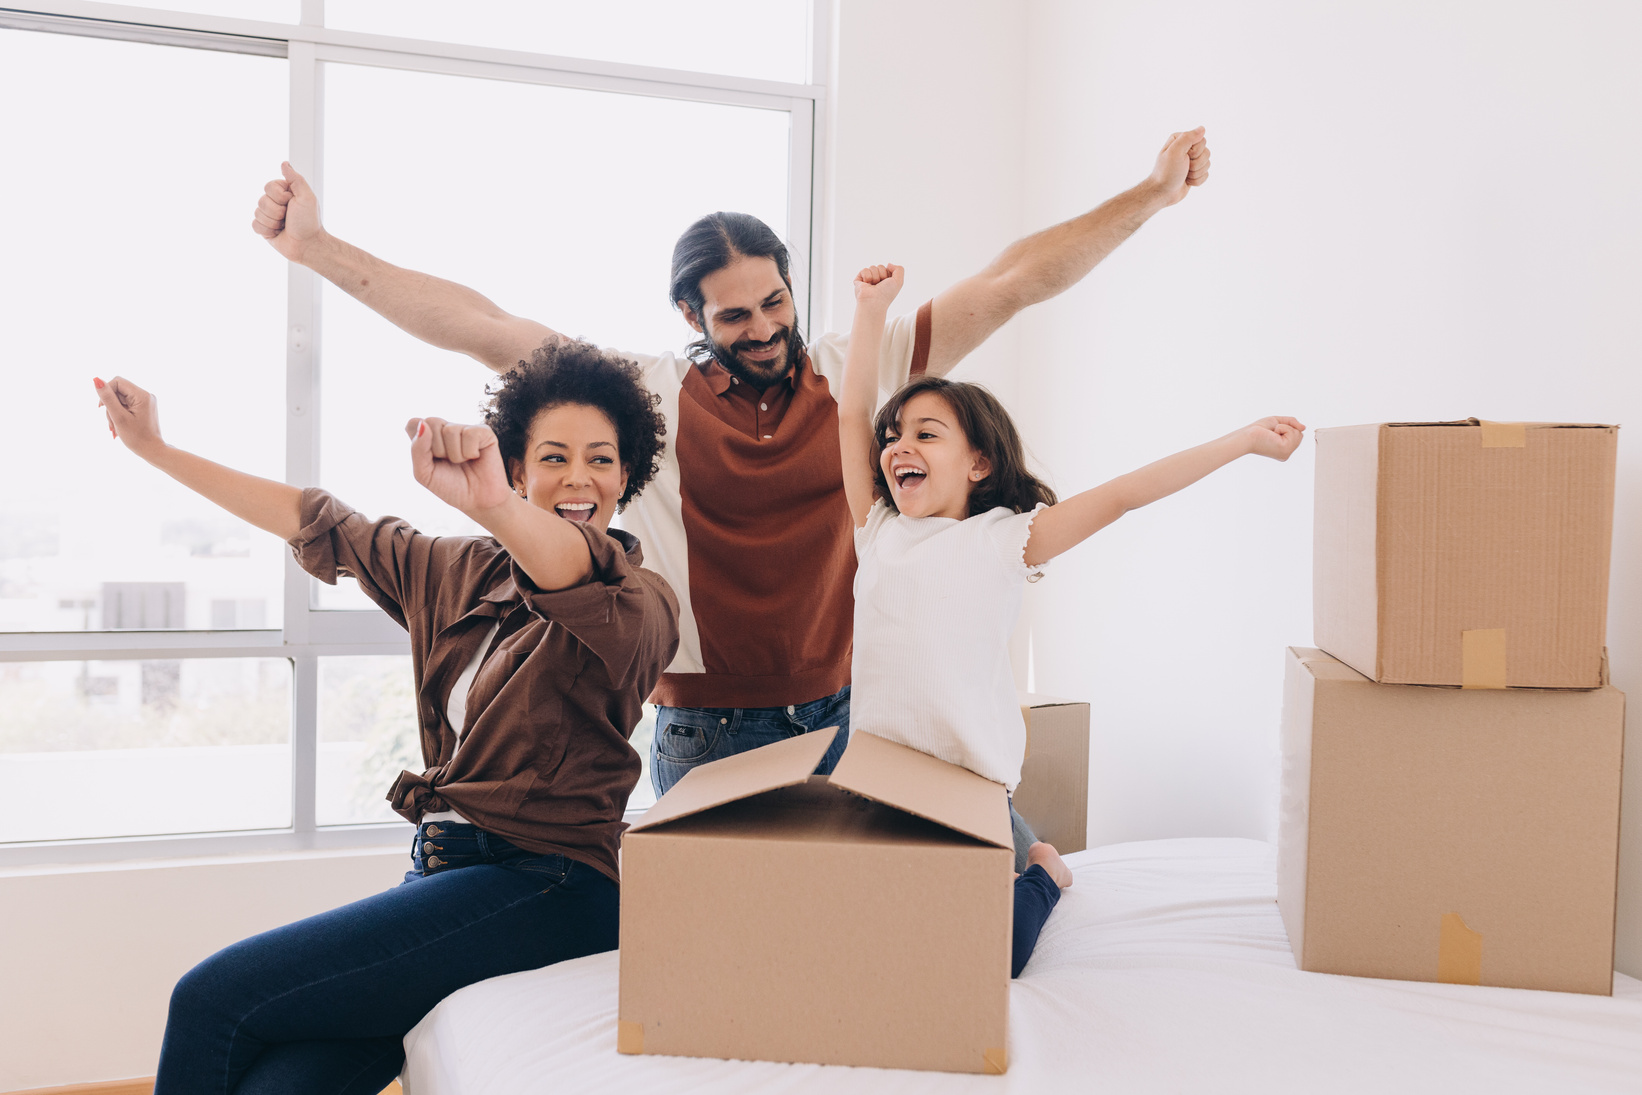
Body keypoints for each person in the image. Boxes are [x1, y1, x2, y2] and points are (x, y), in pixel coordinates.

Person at [249, 128, 1212, 797]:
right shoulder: (650, 396)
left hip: (848, 711)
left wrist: (1153, 195)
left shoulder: (852, 376)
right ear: (691, 318)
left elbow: (1008, 284)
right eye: (735, 315)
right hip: (707, 732)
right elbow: (484, 326)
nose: (764, 329)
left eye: (776, 302)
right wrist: (318, 248)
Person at [93, 340, 678, 1093]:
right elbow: (319, 521)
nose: (578, 478)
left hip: (552, 888)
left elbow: (574, 568)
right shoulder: (458, 571)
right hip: (444, 875)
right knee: (280, 1084)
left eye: (601, 459)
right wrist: (156, 449)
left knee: (211, 999)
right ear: (520, 464)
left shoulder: (642, 599)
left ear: (626, 475)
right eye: (554, 456)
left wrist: (493, 504)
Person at [838, 263, 1303, 977]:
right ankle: (1026, 846)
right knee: (866, 942)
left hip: (968, 788)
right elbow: (848, 414)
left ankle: (1044, 872)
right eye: (894, 434)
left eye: (927, 434)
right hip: (885, 787)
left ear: (980, 463)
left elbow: (1122, 495)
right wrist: (871, 313)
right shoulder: (878, 530)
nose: (899, 445)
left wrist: (1241, 439)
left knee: (993, 958)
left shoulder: (1004, 538)